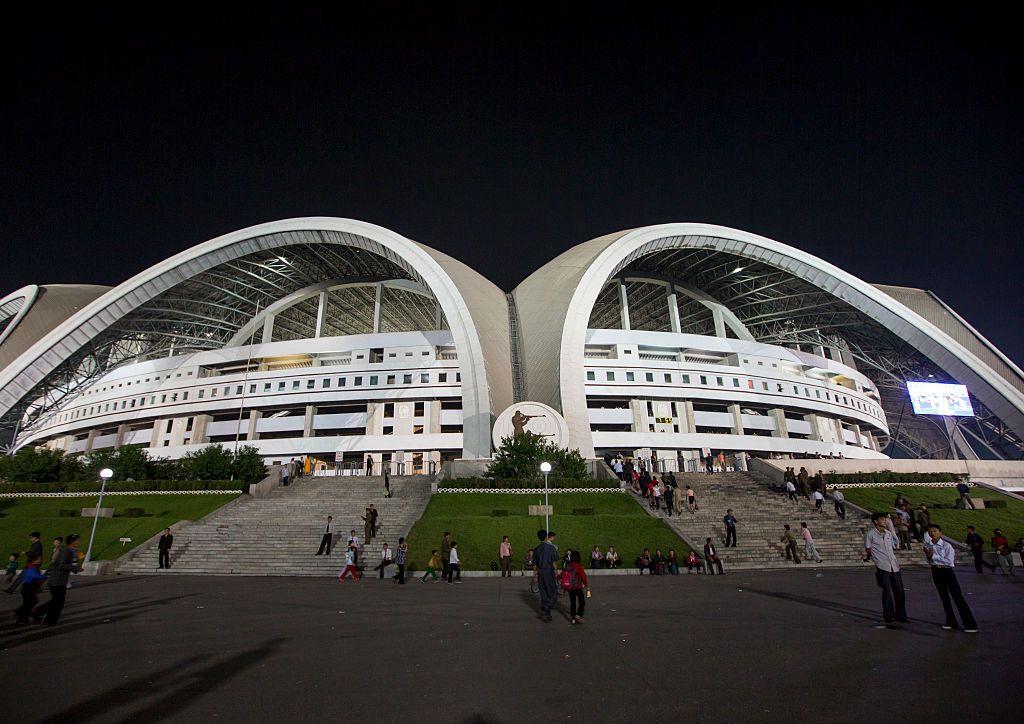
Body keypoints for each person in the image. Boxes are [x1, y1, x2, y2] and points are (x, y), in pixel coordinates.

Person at [923, 524, 978, 632]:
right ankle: (951, 622)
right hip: (935, 571)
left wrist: (933, 556)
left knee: (957, 597)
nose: (932, 533)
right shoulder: (929, 545)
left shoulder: (946, 546)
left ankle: (970, 624)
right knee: (944, 598)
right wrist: (929, 557)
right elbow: (930, 561)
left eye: (934, 531)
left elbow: (949, 561)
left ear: (940, 532)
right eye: (930, 531)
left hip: (947, 571)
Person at [864, 512, 908, 625]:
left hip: (894, 565)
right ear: (876, 521)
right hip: (882, 566)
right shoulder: (870, 534)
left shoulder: (888, 533)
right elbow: (868, 549)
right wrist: (877, 558)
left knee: (899, 591)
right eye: (882, 519)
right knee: (887, 591)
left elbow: (894, 546)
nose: (885, 521)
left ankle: (901, 614)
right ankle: (889, 615)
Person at [32, 534, 81, 626]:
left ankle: (47, 619)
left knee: (57, 602)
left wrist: (75, 568)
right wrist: (75, 568)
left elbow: (69, 565)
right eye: (77, 540)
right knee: (58, 602)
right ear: (72, 542)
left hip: (60, 580)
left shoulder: (70, 551)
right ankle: (40, 613)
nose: (78, 542)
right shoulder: (66, 551)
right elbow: (61, 565)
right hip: (57, 580)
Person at [14, 554, 46, 624]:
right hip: (28, 588)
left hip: (30, 588)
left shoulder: (33, 567)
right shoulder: (31, 567)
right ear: (34, 561)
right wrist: (43, 577)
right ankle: (22, 618)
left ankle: (21, 614)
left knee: (31, 602)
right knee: (29, 603)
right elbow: (34, 575)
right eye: (39, 559)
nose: (41, 561)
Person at [564, 550, 589, 624]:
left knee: (573, 602)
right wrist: (587, 586)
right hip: (577, 587)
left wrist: (558, 578)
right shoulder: (578, 566)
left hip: (570, 587)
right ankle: (578, 615)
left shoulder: (568, 565)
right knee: (582, 602)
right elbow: (583, 577)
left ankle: (573, 618)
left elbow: (563, 573)